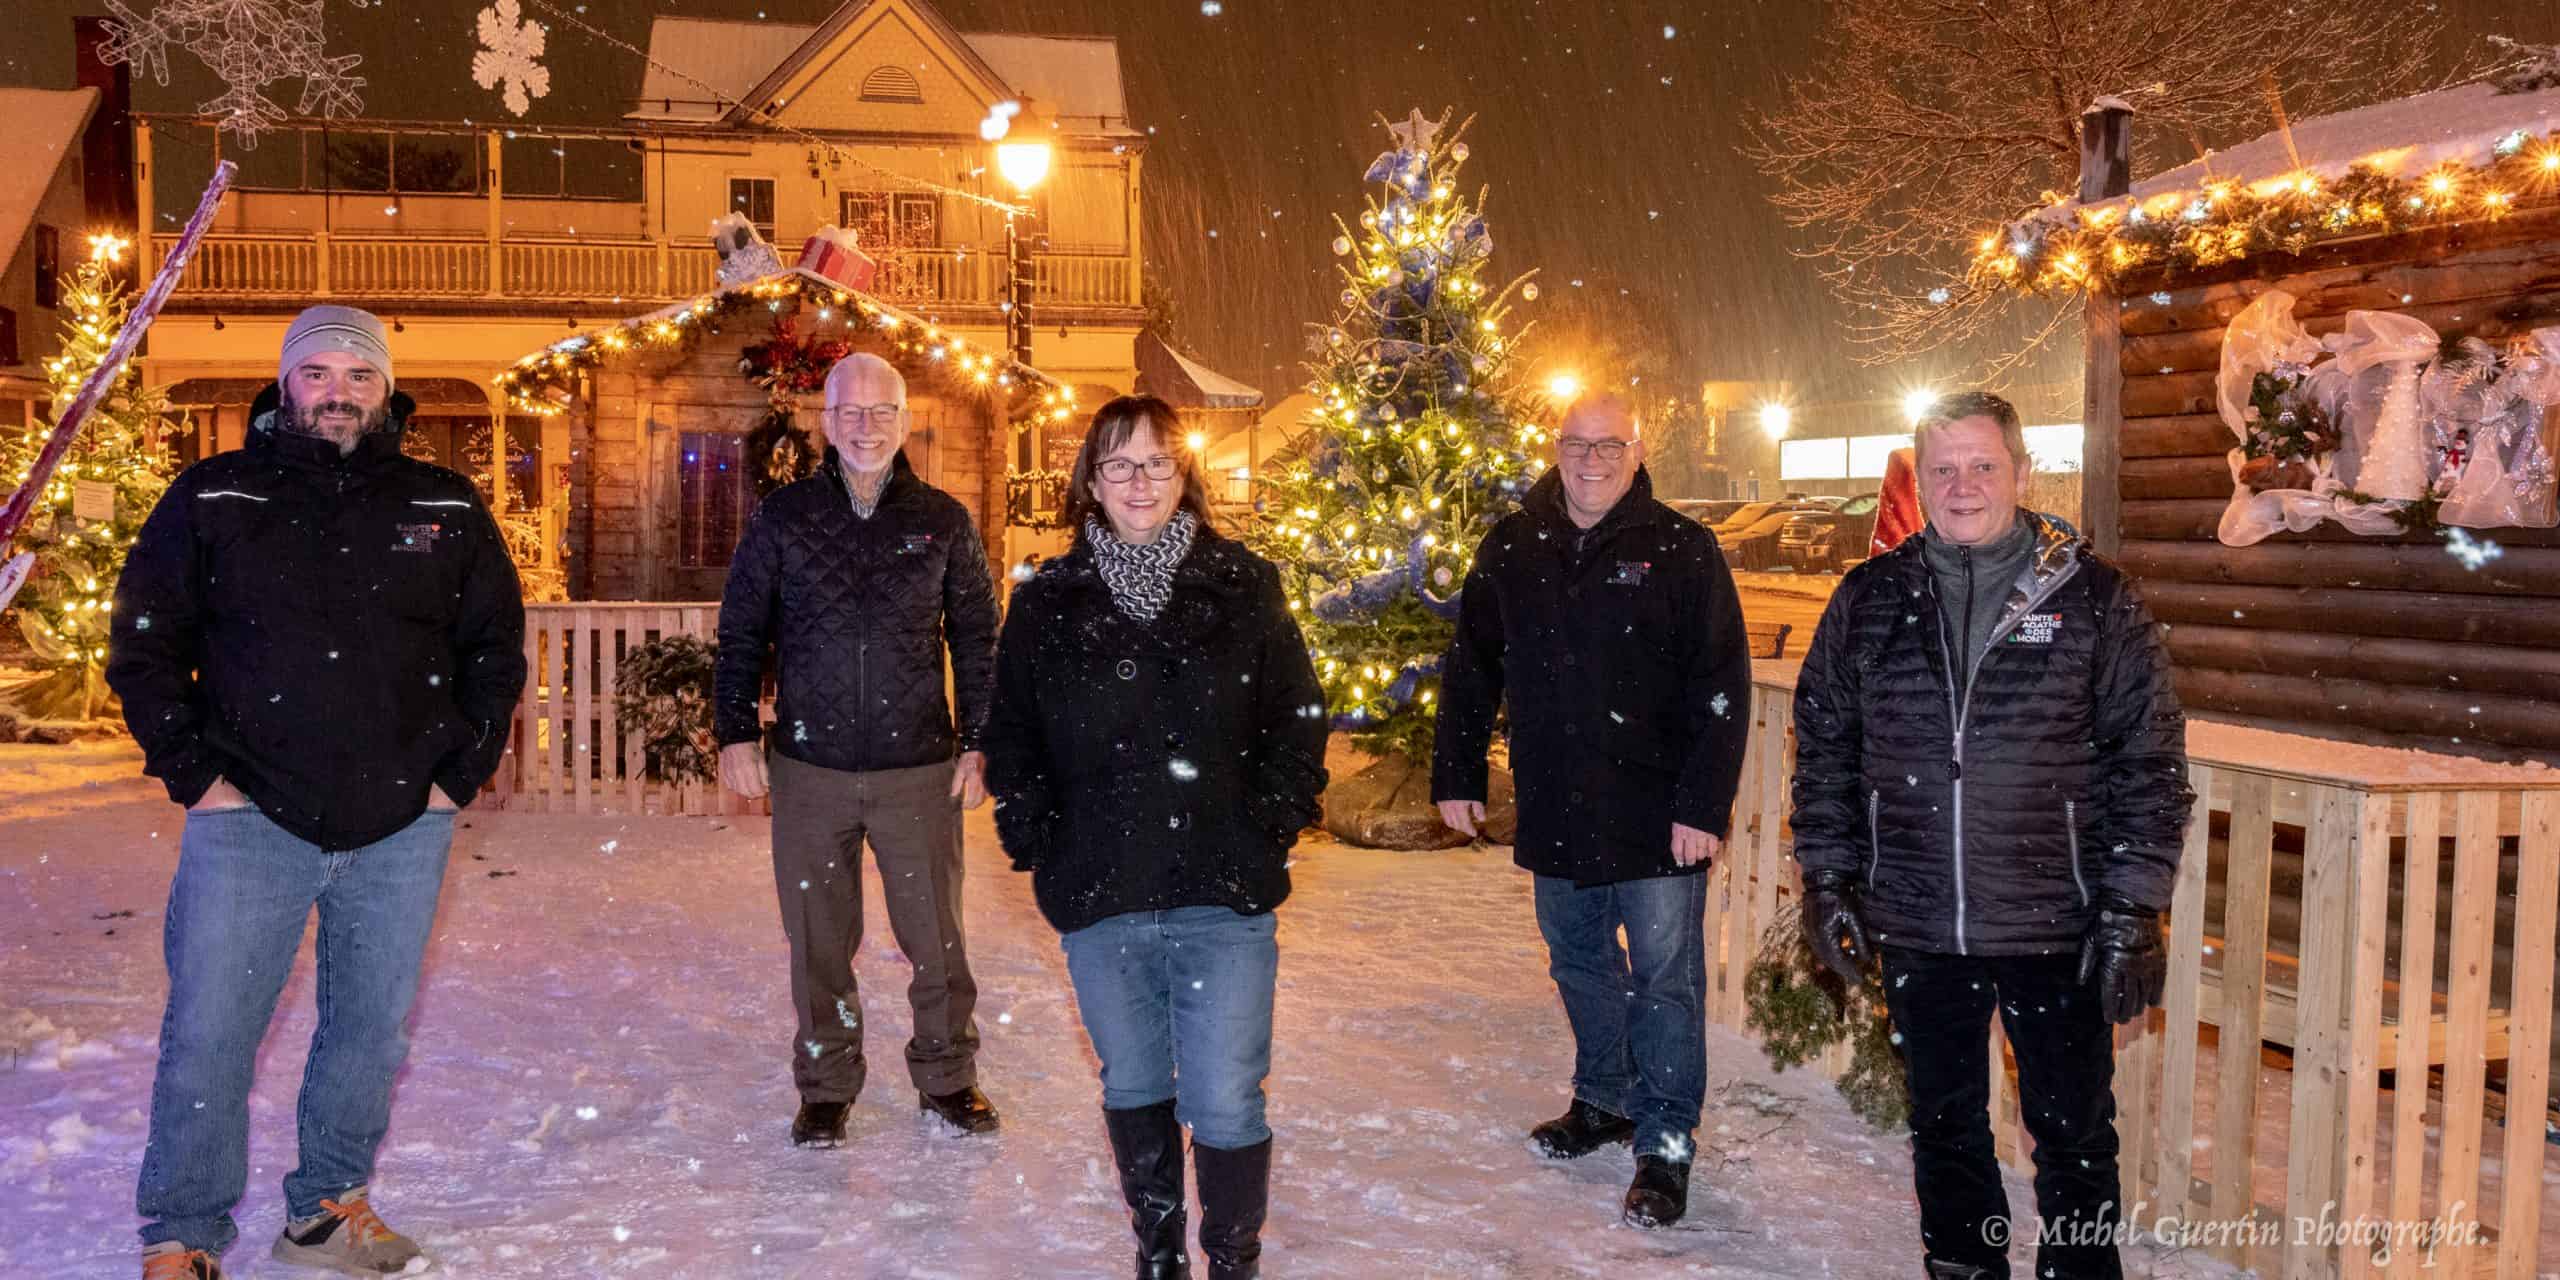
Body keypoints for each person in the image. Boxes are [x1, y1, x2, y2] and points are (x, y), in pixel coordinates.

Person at [109, 305, 527, 1279]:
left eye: (358, 375)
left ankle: (327, 1207)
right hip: (249, 809)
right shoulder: (216, 494)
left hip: (399, 820)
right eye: (318, 373)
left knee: (368, 1028)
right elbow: (144, 643)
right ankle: (183, 1230)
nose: (337, 392)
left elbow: (493, 651)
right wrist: (193, 772)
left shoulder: (444, 504)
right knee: (213, 1026)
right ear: (286, 383)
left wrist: (452, 774)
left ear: (387, 389)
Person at [1789, 391, 2193, 1280]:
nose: (1961, 484)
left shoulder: (2093, 598)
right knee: (1944, 1120)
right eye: (1942, 468)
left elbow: (2149, 762)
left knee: (2074, 1133)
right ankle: (1964, 1266)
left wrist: (2133, 906)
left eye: (1981, 464)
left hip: (2058, 921)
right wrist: (1826, 878)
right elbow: (1826, 748)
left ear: (2020, 471)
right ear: (1918, 478)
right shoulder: (1870, 598)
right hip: (1921, 918)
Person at [983, 395, 1327, 1280]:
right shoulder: (1047, 603)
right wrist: (1036, 835)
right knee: (1133, 1082)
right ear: (1090, 483)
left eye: (1159, 464)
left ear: (1186, 477)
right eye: (1120, 465)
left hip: (1223, 885)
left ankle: (1232, 1259)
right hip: (1101, 887)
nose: (1141, 482)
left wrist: (1272, 820)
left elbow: (1297, 716)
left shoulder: (1245, 586)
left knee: (1224, 1099)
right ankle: (1160, 1253)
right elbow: (1011, 734)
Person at [1431, 392, 1753, 1229]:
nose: (1592, 459)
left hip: (1658, 819)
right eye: (1578, 443)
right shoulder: (1513, 546)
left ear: (1637, 450)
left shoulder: (1681, 550)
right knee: (1577, 963)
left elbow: (1722, 684)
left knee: (1666, 987)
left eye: (1610, 445)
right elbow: (1472, 668)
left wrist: (1702, 804)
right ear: (1557, 446)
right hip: (1558, 809)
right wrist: (1456, 770)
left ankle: (1667, 1142)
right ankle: (1605, 1099)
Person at [713, 352, 1004, 1146]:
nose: (866, 427)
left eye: (882, 412)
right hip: (811, 769)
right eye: (850, 412)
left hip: (919, 769)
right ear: (826, 422)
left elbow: (978, 639)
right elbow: (741, 629)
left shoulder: (943, 520)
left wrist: (979, 743)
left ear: (905, 422)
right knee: (817, 938)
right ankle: (826, 1085)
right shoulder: (785, 517)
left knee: (936, 939)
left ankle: (948, 1077)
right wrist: (735, 728)